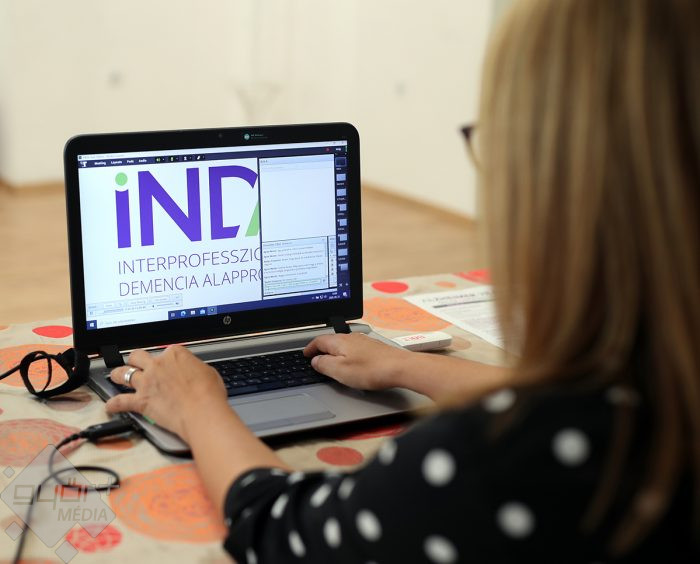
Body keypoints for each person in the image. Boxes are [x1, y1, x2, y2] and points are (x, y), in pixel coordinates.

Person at [106, 0, 700, 561]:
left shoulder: (490, 461)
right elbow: (568, 400)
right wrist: (410, 368)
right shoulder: (658, 403)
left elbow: (280, 530)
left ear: (556, 180)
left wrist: (199, 407)